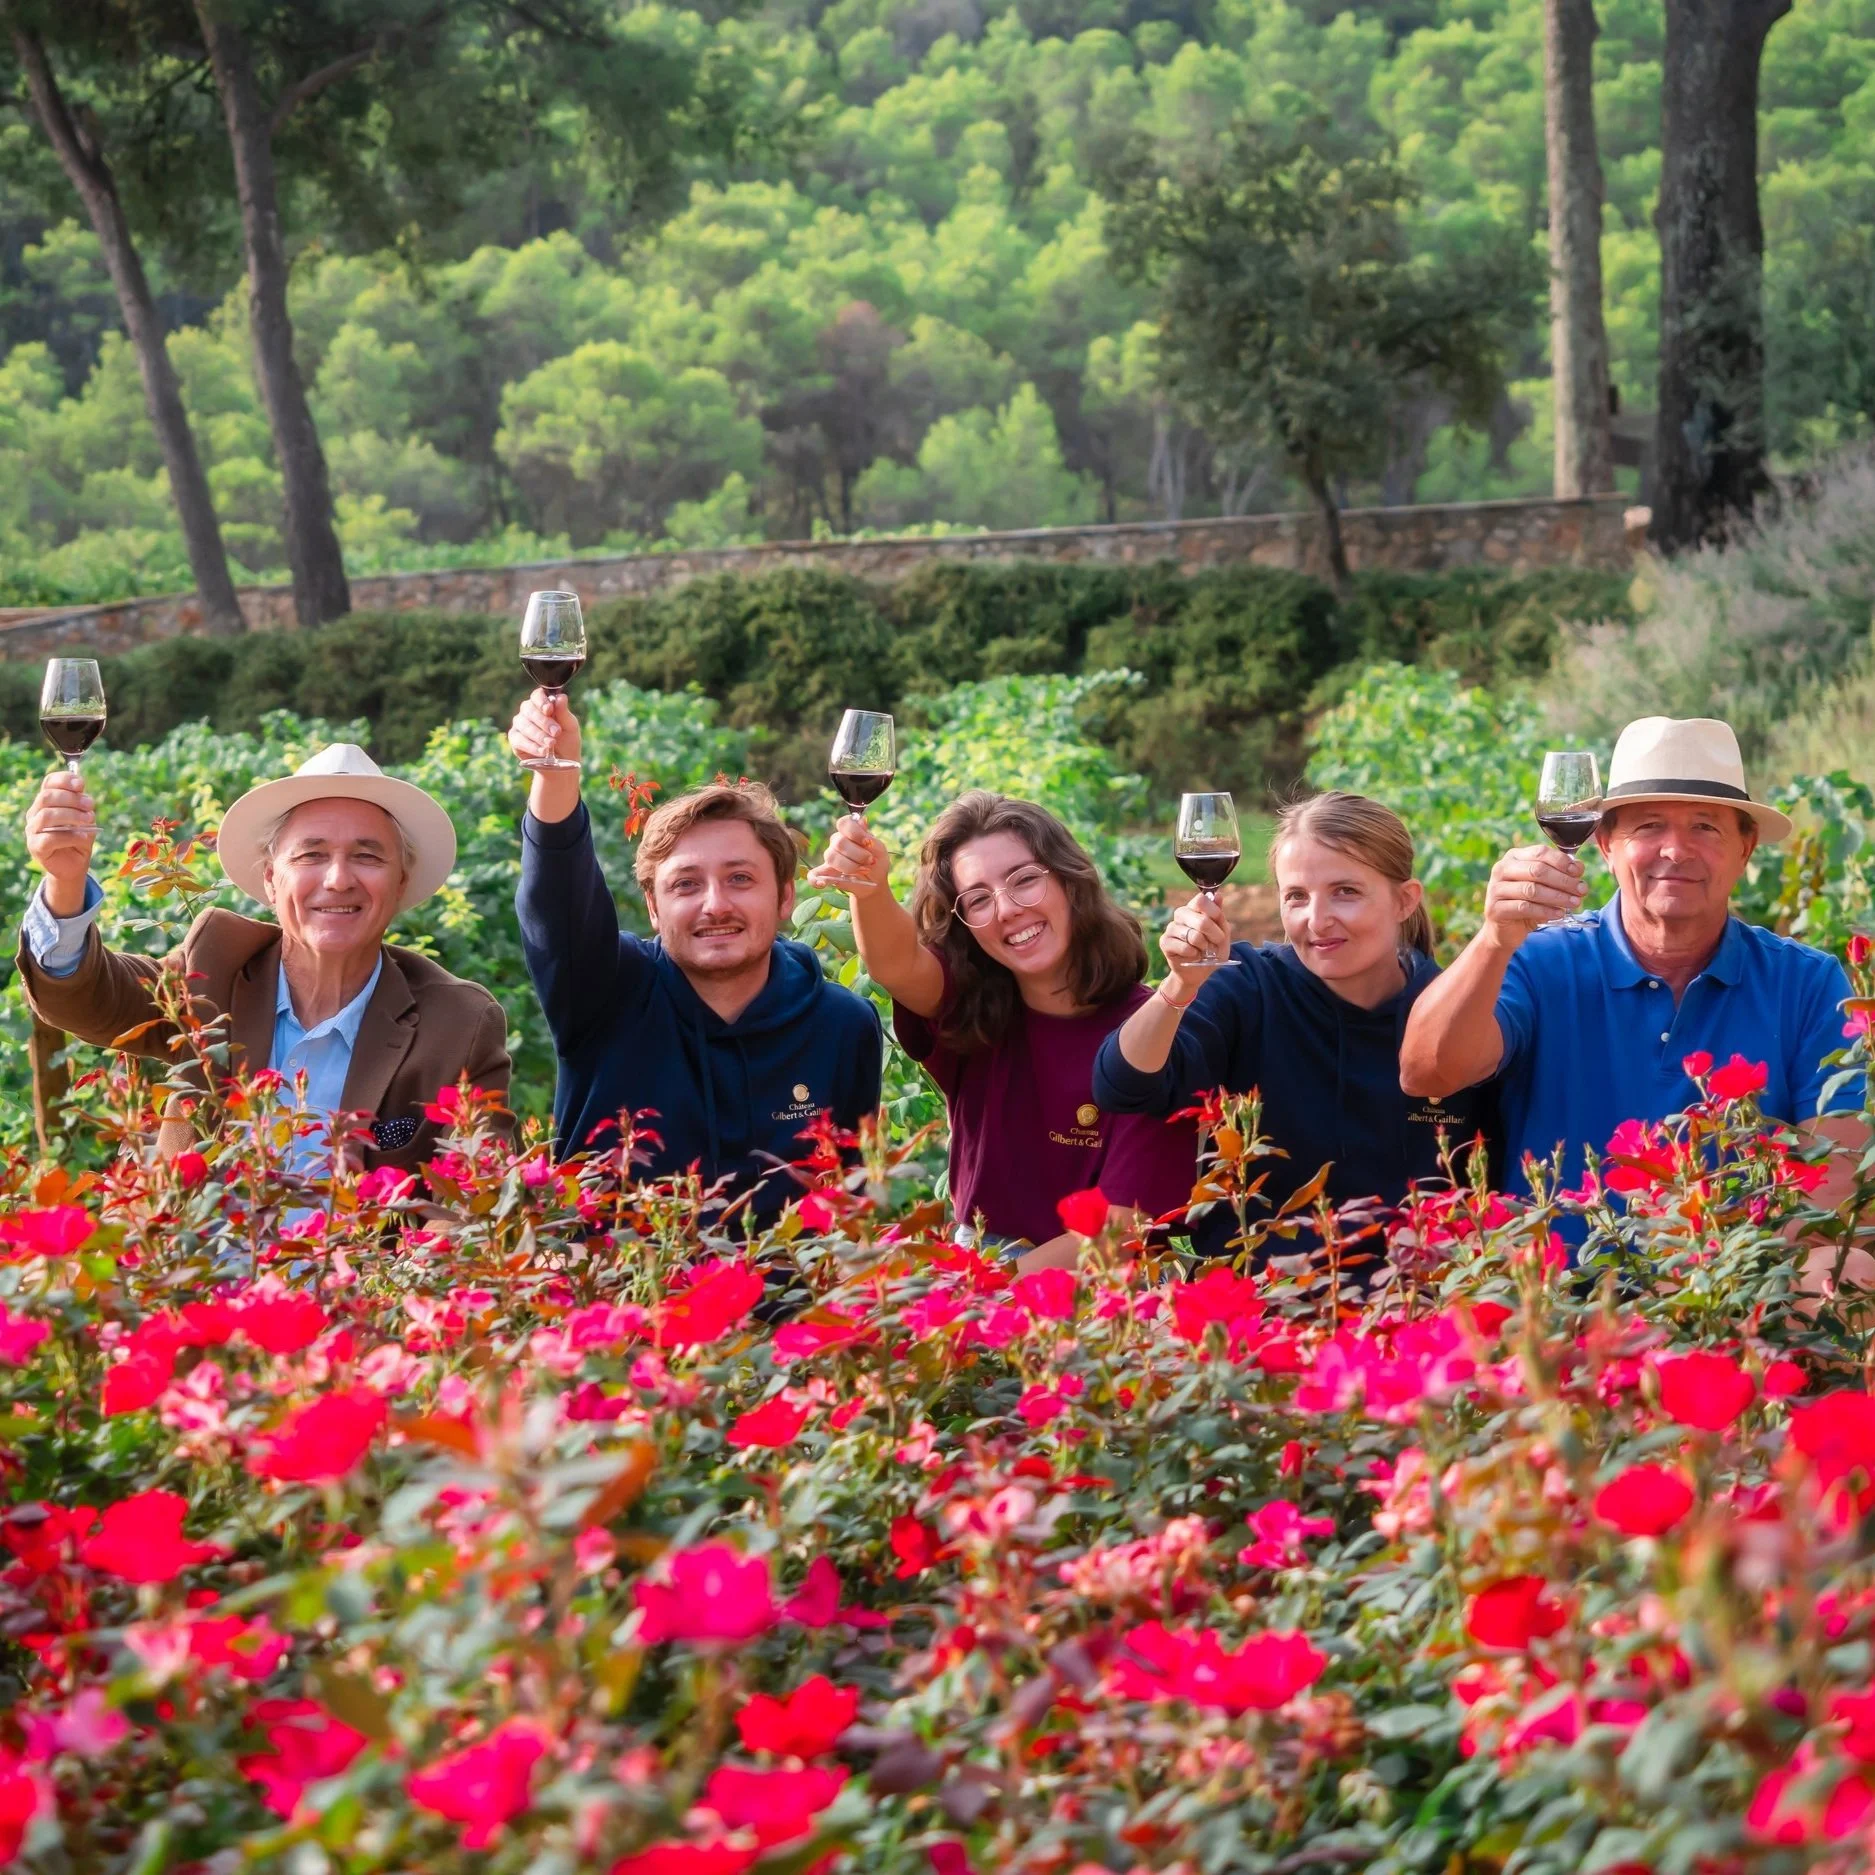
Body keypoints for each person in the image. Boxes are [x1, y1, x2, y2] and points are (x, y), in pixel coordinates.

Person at [1399, 716, 1867, 1256]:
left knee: (1844, 1266)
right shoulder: (1538, 959)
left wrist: (1717, 1282)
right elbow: (1427, 1072)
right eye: (1648, 827)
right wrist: (1492, 939)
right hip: (1555, 1290)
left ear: (1746, 847)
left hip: (1736, 1288)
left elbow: (1834, 1179)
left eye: (1705, 827)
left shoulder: (1805, 981)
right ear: (1605, 844)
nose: (1676, 850)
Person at [18, 744, 511, 1173]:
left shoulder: (459, 1025)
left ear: (401, 882)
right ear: (272, 881)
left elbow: (474, 1198)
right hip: (199, 1254)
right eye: (311, 855)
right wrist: (65, 883)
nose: (338, 879)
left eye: (367, 856)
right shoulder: (216, 969)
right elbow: (88, 999)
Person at [510, 687, 882, 1228]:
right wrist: (555, 774)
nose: (715, 904)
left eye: (740, 878)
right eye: (685, 884)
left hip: (793, 1285)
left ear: (785, 897)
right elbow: (556, 901)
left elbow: (851, 1205)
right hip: (624, 1281)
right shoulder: (603, 993)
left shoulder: (842, 1025)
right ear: (653, 908)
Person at [1093, 791, 1490, 1262]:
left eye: (1346, 892)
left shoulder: (1453, 1012)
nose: (1316, 921)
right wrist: (1179, 985)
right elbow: (1123, 1085)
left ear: (1405, 900)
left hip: (1414, 1291)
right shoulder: (1249, 988)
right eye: (1296, 896)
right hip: (1263, 1291)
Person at [809, 790, 1197, 1270]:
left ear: (1070, 879)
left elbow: (1122, 1229)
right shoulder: (974, 1007)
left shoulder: (1150, 1033)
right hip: (983, 1256)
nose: (1007, 908)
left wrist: (982, 1294)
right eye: (978, 899)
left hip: (1103, 1286)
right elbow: (898, 965)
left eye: (1025, 880)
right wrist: (869, 890)